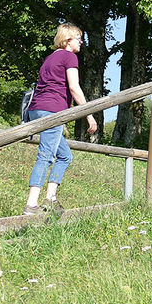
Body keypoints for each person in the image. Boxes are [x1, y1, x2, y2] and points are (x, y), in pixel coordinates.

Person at [23, 22, 98, 216]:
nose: (81, 42)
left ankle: (50, 198)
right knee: (46, 156)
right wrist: (89, 115)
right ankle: (31, 204)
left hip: (36, 109)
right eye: (79, 38)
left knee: (65, 156)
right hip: (52, 110)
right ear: (67, 40)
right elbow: (74, 87)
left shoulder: (49, 58)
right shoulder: (69, 57)